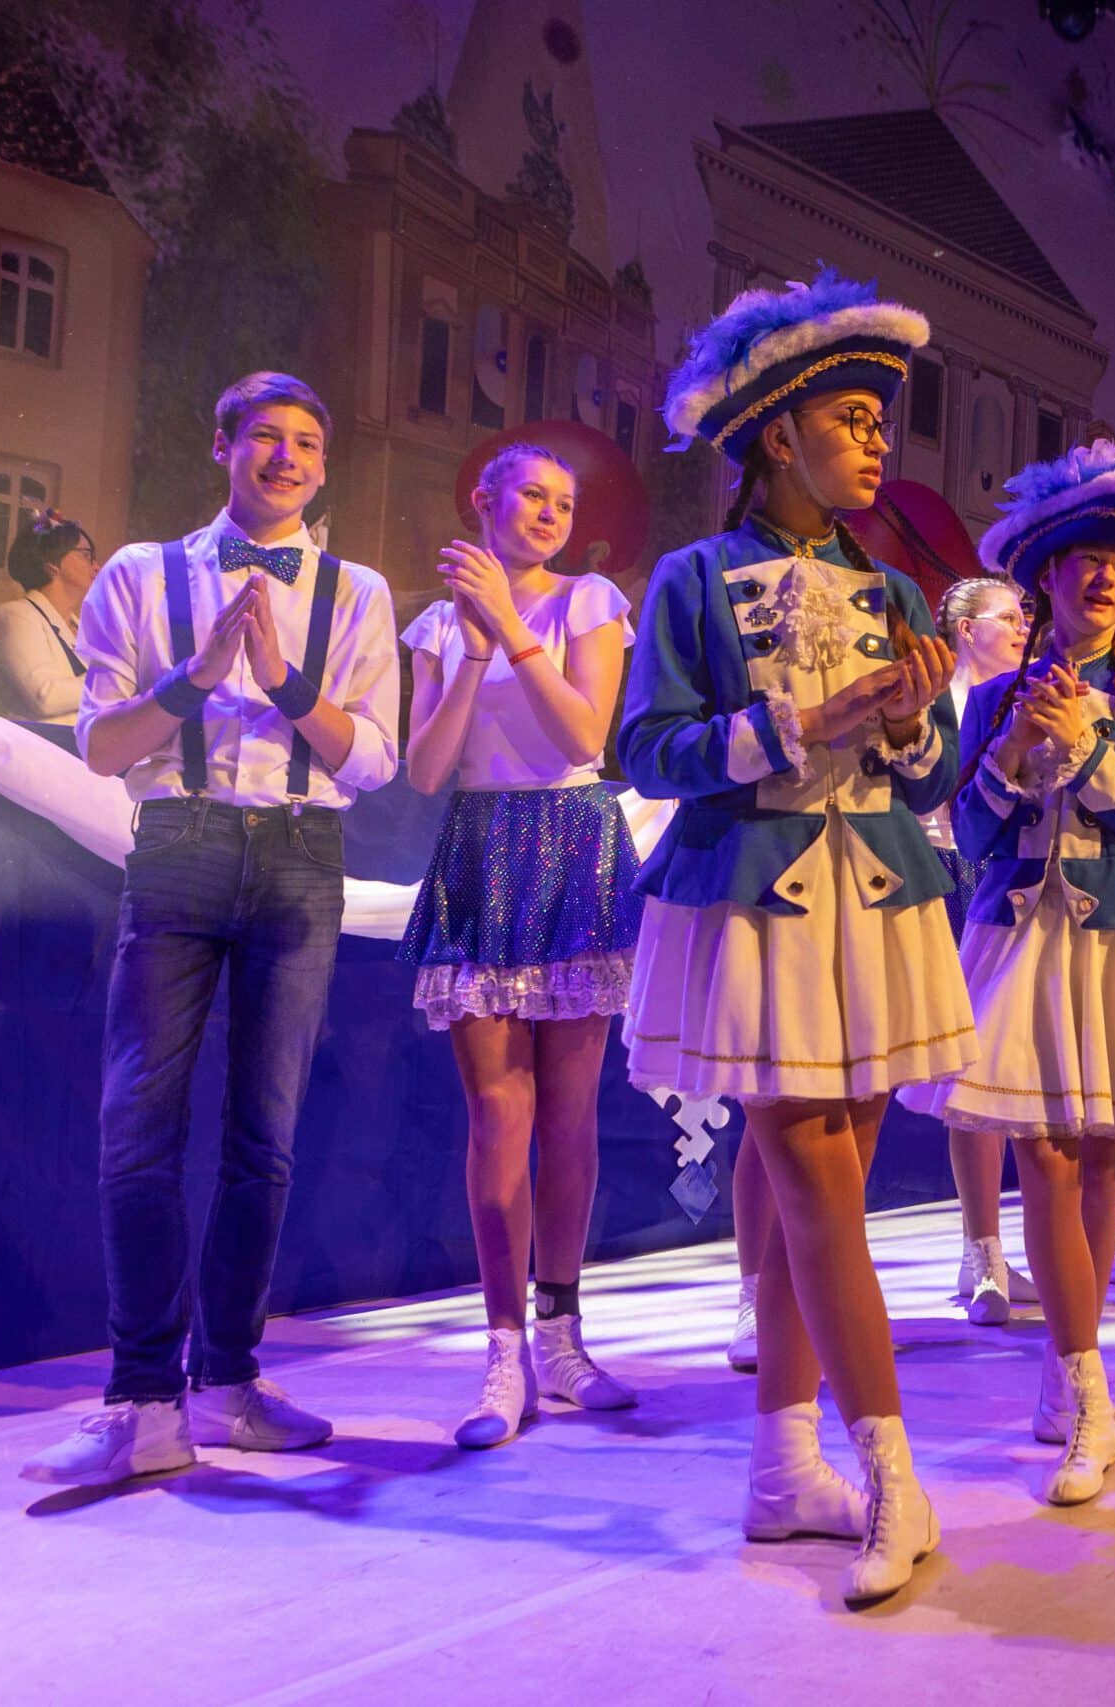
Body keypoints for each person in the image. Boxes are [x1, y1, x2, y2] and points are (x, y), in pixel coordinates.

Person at [620, 269, 969, 1605]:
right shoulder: (695, 579)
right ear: (780, 434)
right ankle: (893, 1476)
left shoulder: (893, 591)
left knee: (824, 1208)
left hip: (874, 904)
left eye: (883, 421)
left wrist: (910, 723)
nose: (879, 442)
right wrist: (797, 725)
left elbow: (929, 783)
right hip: (758, 906)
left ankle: (782, 1469)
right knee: (822, 1206)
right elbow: (649, 749)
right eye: (853, 420)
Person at [22, 371, 400, 1486]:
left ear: (323, 468)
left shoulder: (358, 592)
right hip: (179, 845)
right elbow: (101, 746)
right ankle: (144, 1399)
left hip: (300, 854)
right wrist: (194, 681)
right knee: (137, 1123)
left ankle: (229, 1382)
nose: (287, 458)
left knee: (262, 1135)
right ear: (222, 447)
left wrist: (280, 681)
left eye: (307, 443)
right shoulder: (140, 575)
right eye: (265, 437)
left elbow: (374, 761)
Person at [904, 441, 1115, 1501]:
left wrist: (1091, 753)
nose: (1107, 577)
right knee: (1047, 1161)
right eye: (1089, 559)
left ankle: (1074, 1388)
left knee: (1104, 1162)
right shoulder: (988, 696)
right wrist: (1011, 756)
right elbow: (969, 832)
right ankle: (1085, 1393)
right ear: (1048, 573)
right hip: (1018, 938)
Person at [398, 443, 642, 1447]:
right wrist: (472, 651)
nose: (548, 513)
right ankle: (504, 1354)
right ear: (484, 502)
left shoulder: (589, 601)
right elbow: (424, 771)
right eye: (531, 496)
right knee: (499, 1113)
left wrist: (510, 627)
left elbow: (584, 737)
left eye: (563, 502)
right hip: (481, 846)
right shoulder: (434, 623)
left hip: (572, 840)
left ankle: (563, 1335)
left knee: (570, 1116)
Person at [927, 574, 1044, 1325]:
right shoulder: (938, 701)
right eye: (1008, 617)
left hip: (1006, 880)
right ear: (966, 630)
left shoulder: (1032, 696)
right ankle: (982, 1252)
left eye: (1026, 616)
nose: (1022, 627)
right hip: (940, 878)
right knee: (967, 1079)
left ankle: (1022, 1245)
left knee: (1012, 1065)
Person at [0, 510, 99, 724]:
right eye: (86, 555)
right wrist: (115, 679)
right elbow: (45, 696)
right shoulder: (16, 615)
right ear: (52, 565)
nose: (97, 566)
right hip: (39, 742)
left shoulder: (80, 626)